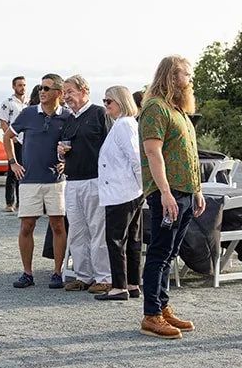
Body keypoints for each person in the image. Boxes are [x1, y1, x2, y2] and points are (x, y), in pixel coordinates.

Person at [138, 54, 202, 338]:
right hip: (168, 193)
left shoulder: (180, 111)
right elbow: (153, 152)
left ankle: (163, 307)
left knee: (171, 253)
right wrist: (164, 192)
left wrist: (197, 190)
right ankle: (151, 315)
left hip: (185, 192)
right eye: (187, 74)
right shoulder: (155, 108)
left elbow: (190, 154)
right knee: (159, 253)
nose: (191, 80)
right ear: (172, 76)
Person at [8, 74, 71, 289]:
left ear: (58, 93)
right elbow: (7, 135)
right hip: (29, 180)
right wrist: (12, 163)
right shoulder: (27, 114)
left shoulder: (68, 117)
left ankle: (57, 272)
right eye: (40, 88)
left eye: (46, 88)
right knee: (27, 225)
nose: (41, 92)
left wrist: (67, 162)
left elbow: (76, 144)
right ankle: (27, 273)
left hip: (56, 180)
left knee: (58, 226)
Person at [56, 75, 111, 293]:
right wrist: (60, 153)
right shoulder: (69, 119)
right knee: (77, 232)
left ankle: (104, 277)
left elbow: (110, 148)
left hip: (95, 180)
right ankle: (83, 276)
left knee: (98, 230)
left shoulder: (99, 114)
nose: (66, 96)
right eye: (65, 92)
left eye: (70, 91)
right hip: (72, 181)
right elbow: (63, 150)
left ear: (84, 90)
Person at [96, 86, 143, 301]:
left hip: (122, 192)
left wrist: (143, 187)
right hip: (127, 190)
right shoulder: (124, 124)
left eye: (109, 102)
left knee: (115, 239)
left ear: (121, 103)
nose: (106, 105)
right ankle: (132, 283)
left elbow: (135, 158)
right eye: (104, 101)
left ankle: (119, 286)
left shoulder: (124, 125)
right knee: (131, 239)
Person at [0, 76, 28, 214]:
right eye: (20, 85)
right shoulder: (7, 103)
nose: (22, 88)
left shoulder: (29, 103)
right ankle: (9, 202)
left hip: (27, 141)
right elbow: (3, 121)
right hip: (14, 140)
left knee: (25, 171)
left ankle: (22, 201)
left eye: (24, 85)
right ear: (14, 87)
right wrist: (11, 137)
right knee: (12, 171)